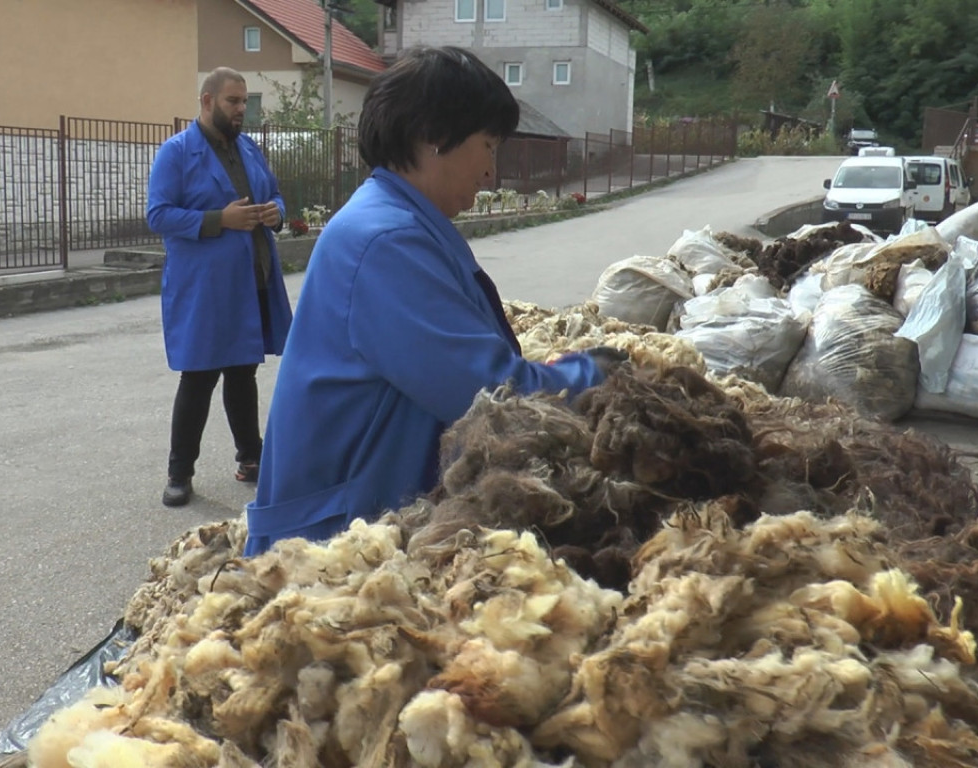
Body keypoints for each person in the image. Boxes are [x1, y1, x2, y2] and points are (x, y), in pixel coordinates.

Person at [242, 46, 625, 557]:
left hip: (366, 511)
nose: (491, 171)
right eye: (488, 146)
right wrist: (594, 373)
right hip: (336, 541)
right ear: (433, 138)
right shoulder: (385, 240)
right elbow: (487, 394)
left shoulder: (402, 220)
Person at [146, 67, 293, 508]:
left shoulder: (248, 149)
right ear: (207, 101)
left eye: (244, 101)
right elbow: (159, 215)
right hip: (206, 287)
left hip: (251, 279)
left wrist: (275, 213)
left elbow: (278, 196)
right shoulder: (176, 153)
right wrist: (218, 220)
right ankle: (179, 472)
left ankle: (251, 457)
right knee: (199, 375)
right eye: (233, 101)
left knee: (243, 370)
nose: (240, 109)